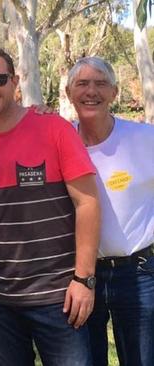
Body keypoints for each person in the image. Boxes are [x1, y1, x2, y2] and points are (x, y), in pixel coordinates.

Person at [0, 47, 101, 366]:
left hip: (59, 298)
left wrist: (84, 279)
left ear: (15, 81)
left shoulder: (54, 129)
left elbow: (86, 202)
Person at [65, 56, 154, 366]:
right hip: (78, 276)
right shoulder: (59, 142)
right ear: (68, 93)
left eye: (101, 83)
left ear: (115, 93)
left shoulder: (145, 139)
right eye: (82, 84)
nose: (92, 91)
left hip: (139, 273)